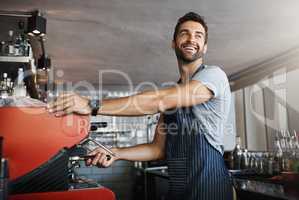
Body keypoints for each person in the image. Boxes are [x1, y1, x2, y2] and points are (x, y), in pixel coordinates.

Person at [48, 12, 233, 200]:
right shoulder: (173, 93)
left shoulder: (213, 76)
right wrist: (116, 153)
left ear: (205, 47)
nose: (191, 39)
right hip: (179, 191)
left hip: (211, 189)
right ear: (174, 43)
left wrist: (91, 105)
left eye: (198, 35)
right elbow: (157, 149)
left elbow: (156, 101)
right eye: (184, 33)